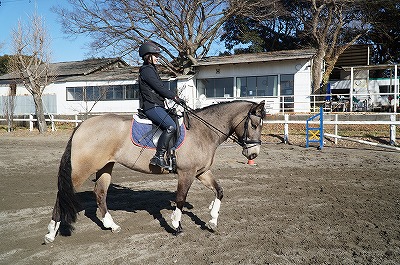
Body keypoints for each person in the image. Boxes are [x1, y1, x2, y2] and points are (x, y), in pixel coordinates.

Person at [138, 41, 185, 169]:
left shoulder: (152, 70)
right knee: (170, 126)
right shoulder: (147, 71)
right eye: (155, 56)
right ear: (148, 56)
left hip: (157, 105)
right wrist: (174, 97)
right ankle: (158, 156)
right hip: (151, 106)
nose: (158, 58)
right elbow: (159, 88)